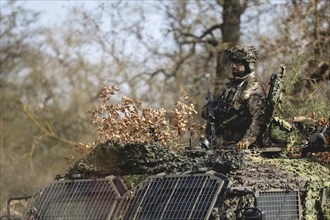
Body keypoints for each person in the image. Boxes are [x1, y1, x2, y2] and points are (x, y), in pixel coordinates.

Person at [202, 45, 267, 149]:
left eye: (238, 62)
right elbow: (222, 109)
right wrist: (209, 109)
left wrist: (247, 139)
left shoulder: (254, 90)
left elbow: (259, 119)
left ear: (248, 65)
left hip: (241, 145)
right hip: (222, 143)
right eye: (232, 62)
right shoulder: (232, 86)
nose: (233, 66)